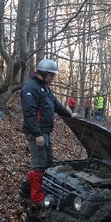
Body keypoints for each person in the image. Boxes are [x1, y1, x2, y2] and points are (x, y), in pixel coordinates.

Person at [21, 59, 74, 209]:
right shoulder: (30, 88)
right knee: (39, 164)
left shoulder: (45, 87)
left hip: (45, 131)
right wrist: (37, 134)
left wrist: (69, 115)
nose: (53, 78)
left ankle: (28, 188)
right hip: (37, 132)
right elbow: (29, 114)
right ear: (43, 73)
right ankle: (37, 198)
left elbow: (55, 104)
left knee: (49, 163)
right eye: (51, 75)